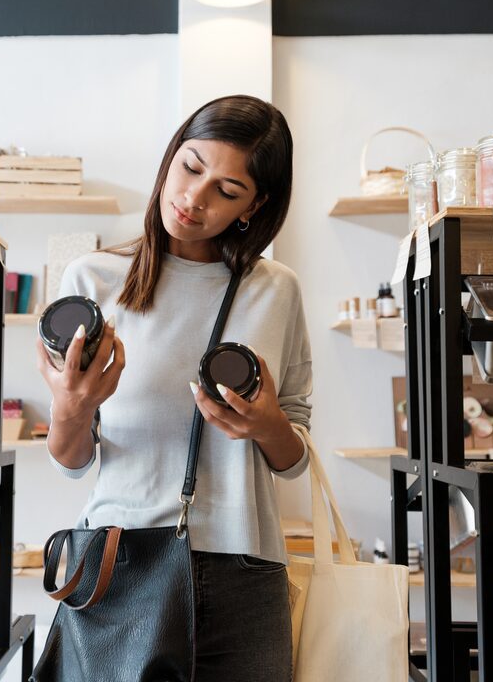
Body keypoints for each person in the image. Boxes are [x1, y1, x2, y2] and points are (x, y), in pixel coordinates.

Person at [36, 94, 312, 681]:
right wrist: (71, 408)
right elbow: (71, 460)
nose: (194, 199)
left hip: (245, 565)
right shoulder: (92, 281)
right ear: (170, 157)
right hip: (120, 558)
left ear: (254, 205)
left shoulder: (276, 290)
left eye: (227, 191)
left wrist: (267, 425)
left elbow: (293, 461)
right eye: (190, 168)